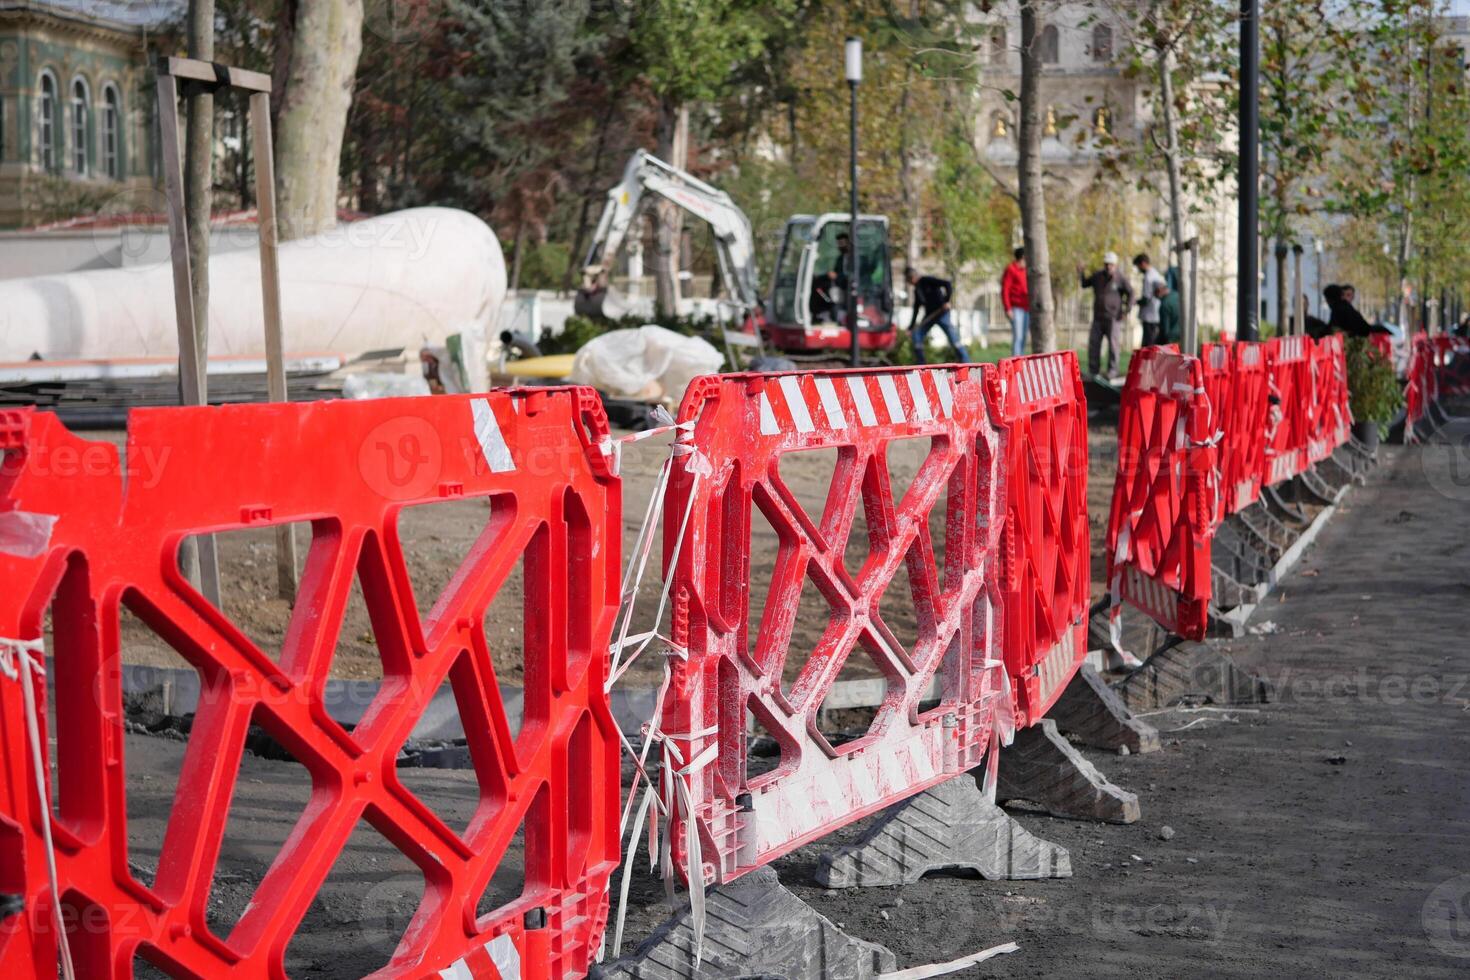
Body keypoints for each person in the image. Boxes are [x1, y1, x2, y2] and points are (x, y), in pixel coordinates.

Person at [1078, 251, 1134, 378]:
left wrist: (1127, 310)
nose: (1109, 267)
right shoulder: (1097, 276)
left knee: (1113, 346)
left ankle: (1112, 371)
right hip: (1098, 318)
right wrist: (1080, 272)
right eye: (1107, 264)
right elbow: (1084, 284)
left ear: (1115, 265)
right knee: (1094, 344)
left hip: (1114, 318)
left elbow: (1131, 293)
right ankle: (1093, 371)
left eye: (1111, 265)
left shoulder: (1120, 279)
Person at [906, 267, 970, 364]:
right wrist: (911, 327)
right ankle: (921, 364)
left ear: (912, 277)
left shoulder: (927, 280)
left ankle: (965, 361)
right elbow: (916, 309)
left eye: (909, 280)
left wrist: (946, 301)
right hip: (930, 316)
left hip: (942, 313)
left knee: (953, 338)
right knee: (917, 334)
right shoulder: (917, 291)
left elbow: (947, 284)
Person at [1001, 247, 1030, 356]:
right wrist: (1008, 308)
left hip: (1027, 308)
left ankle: (1020, 361)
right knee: (1018, 336)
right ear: (1022, 257)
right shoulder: (1011, 269)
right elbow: (1005, 289)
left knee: (1024, 337)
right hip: (1016, 309)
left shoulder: (1026, 270)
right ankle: (1015, 363)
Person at [1134, 253, 1166, 346]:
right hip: (1156, 314)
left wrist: (1135, 302)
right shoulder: (1155, 273)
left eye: (1138, 266)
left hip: (1150, 315)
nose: (1139, 269)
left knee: (1148, 344)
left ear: (1143, 263)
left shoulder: (1148, 277)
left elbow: (1146, 299)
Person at [1155, 280, 1181, 344]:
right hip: (1188, 335)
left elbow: (1165, 329)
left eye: (1155, 293)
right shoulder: (1178, 295)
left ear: (1159, 290)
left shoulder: (1164, 304)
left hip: (1173, 339)